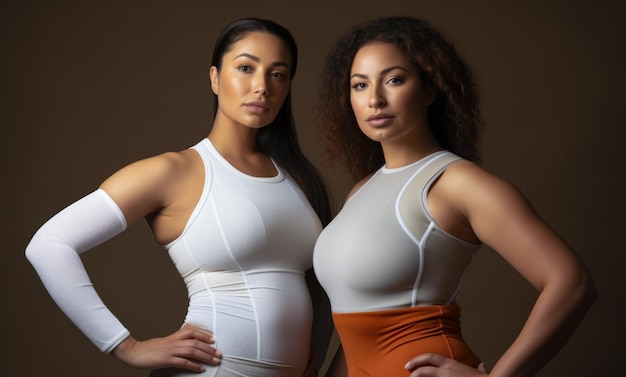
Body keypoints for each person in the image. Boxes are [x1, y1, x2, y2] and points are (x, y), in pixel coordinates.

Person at [26, 17, 332, 377]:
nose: (261, 86)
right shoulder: (175, 171)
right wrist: (125, 347)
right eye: (246, 68)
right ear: (215, 78)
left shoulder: (298, 177)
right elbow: (49, 244)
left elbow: (322, 279)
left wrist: (317, 347)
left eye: (277, 74)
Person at [312, 16, 596, 377]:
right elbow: (356, 332)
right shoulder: (361, 190)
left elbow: (571, 283)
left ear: (429, 89)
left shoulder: (456, 182)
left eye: (394, 80)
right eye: (359, 85)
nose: (375, 99)